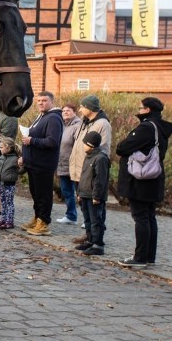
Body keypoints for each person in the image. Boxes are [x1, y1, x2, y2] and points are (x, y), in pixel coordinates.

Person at [115, 97, 172, 268]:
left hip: (141, 180)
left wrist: (124, 143)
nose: (139, 110)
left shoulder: (146, 127)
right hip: (153, 178)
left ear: (147, 110)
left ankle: (140, 257)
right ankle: (149, 256)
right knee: (149, 216)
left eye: (141, 108)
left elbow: (122, 147)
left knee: (141, 216)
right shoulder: (160, 127)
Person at [19, 91, 64, 236]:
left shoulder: (54, 119)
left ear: (52, 102)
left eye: (44, 100)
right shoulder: (42, 116)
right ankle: (37, 217)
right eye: (38, 100)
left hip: (43, 165)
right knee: (36, 194)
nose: (40, 103)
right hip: (33, 163)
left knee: (43, 195)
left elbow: (52, 142)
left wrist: (31, 140)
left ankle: (44, 223)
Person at [68, 94, 111, 239]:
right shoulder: (84, 122)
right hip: (80, 170)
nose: (80, 110)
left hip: (90, 171)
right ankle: (89, 234)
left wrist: (92, 169)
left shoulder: (102, 124)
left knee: (95, 209)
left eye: (82, 107)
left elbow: (102, 149)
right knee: (84, 207)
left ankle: (96, 237)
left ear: (90, 108)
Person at [75, 131, 110, 256]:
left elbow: (100, 179)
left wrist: (96, 196)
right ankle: (90, 240)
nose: (83, 145)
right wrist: (79, 192)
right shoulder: (88, 156)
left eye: (85, 143)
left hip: (94, 196)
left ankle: (98, 244)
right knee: (88, 220)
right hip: (85, 193)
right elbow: (83, 176)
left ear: (92, 145)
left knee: (96, 220)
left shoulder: (100, 158)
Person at [55, 103, 82, 225]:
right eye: (63, 110)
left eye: (68, 110)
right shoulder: (62, 125)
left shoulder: (78, 125)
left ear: (75, 112)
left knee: (81, 193)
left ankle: (88, 219)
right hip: (62, 164)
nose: (65, 112)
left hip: (75, 165)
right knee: (67, 192)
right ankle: (71, 216)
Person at [0, 136, 21, 229]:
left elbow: (21, 169)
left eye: (1, 147)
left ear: (8, 147)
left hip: (9, 184)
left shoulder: (15, 159)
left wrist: (20, 167)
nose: (0, 149)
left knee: (9, 203)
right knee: (3, 202)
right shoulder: (1, 157)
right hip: (1, 184)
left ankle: (10, 221)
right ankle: (3, 219)